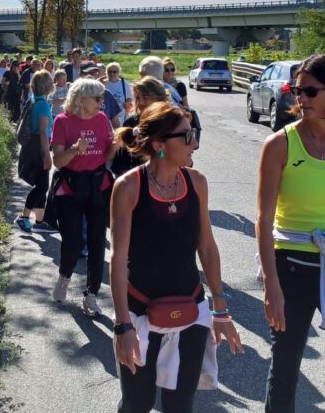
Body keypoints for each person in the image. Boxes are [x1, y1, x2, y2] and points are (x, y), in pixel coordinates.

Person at [111, 102, 243, 413]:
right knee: (137, 404)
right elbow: (117, 260)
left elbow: (207, 248)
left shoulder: (196, 182)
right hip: (140, 312)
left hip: (191, 310)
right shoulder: (129, 187)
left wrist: (220, 310)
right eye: (186, 136)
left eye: (194, 133)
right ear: (159, 145)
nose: (194, 143)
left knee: (180, 405)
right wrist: (122, 326)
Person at [256, 54, 325, 413]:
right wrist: (271, 284)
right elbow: (263, 219)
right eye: (298, 91)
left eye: (311, 91)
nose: (302, 99)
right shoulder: (280, 144)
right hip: (292, 265)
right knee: (285, 366)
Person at [49, 78, 116, 316]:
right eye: (97, 98)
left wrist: (116, 145)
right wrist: (76, 149)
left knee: (98, 242)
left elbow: (107, 154)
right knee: (73, 241)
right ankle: (65, 276)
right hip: (70, 186)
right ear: (81, 99)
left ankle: (91, 295)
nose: (102, 103)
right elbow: (58, 161)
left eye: (102, 98)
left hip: (98, 184)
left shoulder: (102, 120)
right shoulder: (62, 122)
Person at [15, 69, 56, 235]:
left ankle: (39, 221)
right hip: (38, 148)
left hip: (29, 147)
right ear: (48, 86)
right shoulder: (44, 105)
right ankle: (23, 217)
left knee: (41, 183)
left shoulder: (32, 100)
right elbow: (43, 132)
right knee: (43, 186)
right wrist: (47, 156)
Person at [112, 76, 169, 176]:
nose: (141, 102)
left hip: (167, 181)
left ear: (160, 98)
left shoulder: (173, 122)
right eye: (138, 97)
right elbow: (121, 162)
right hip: (137, 181)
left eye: (146, 98)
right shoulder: (131, 123)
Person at [80, 61, 121, 129]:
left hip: (103, 137)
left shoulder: (106, 93)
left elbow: (116, 123)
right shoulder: (75, 94)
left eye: (94, 73)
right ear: (80, 74)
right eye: (88, 73)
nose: (91, 76)